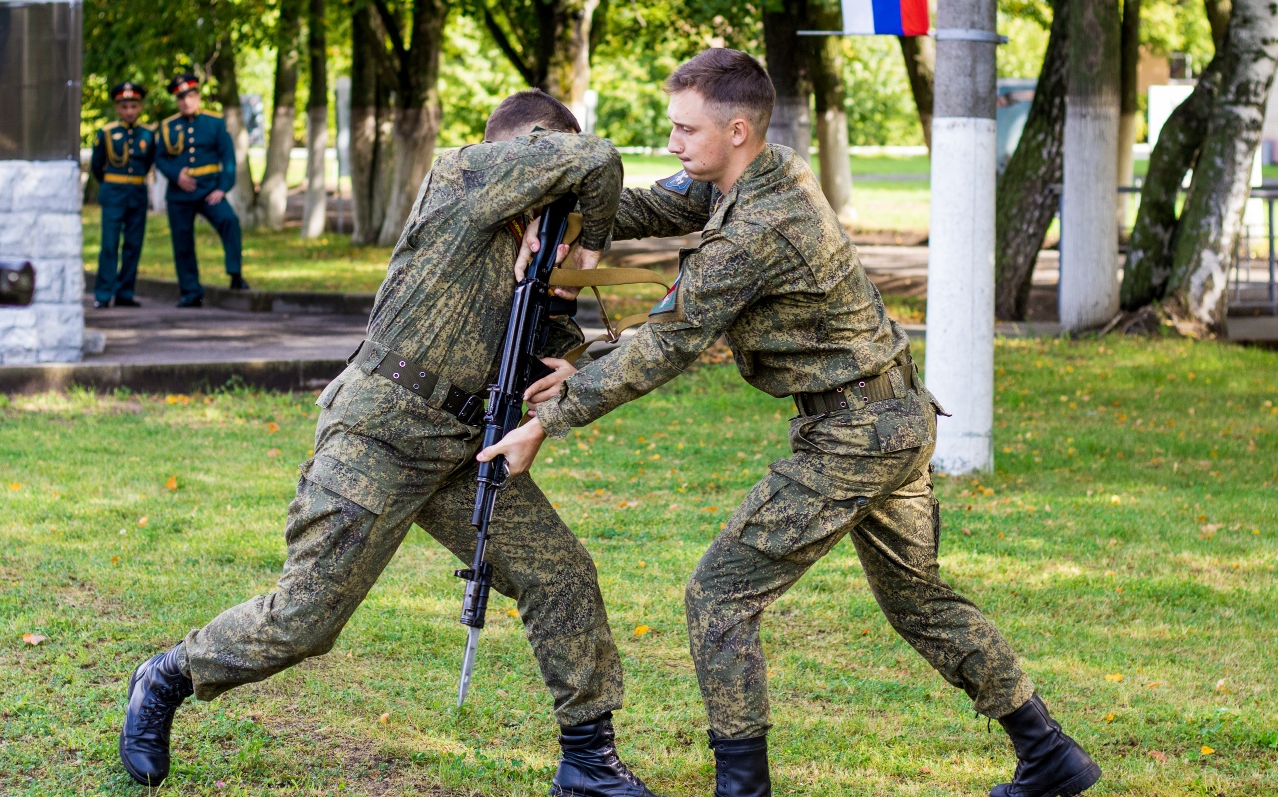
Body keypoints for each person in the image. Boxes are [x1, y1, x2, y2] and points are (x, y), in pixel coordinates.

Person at [483, 49, 1101, 797]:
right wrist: (569, 212)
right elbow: (658, 206)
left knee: (719, 596)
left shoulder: (756, 232)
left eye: (685, 129)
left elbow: (668, 344)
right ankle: (1051, 755)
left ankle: (743, 790)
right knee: (921, 603)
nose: (673, 142)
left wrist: (551, 413)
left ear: (736, 129)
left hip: (855, 435)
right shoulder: (766, 172)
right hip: (891, 416)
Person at [118, 89, 659, 797]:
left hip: (468, 444)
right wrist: (586, 238)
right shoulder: (463, 178)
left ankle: (588, 759)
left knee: (561, 573)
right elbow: (596, 156)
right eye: (540, 169)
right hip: (380, 432)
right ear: (517, 154)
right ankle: (167, 674)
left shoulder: (538, 244)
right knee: (305, 619)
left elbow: (543, 346)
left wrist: (566, 339)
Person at [155, 73, 247, 308]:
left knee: (229, 221)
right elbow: (161, 158)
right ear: (177, 100)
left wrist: (222, 188)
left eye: (190, 96)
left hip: (209, 190)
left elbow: (228, 158)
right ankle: (190, 292)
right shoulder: (168, 126)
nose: (186, 102)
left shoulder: (214, 122)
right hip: (180, 194)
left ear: (197, 97)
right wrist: (177, 175)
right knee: (182, 241)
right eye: (181, 97)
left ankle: (235, 274)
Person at [89, 81, 156, 309]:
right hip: (113, 193)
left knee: (133, 244)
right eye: (124, 106)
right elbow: (97, 167)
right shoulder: (106, 133)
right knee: (109, 244)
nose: (129, 111)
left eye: (133, 106)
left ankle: (125, 292)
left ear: (140, 108)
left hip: (137, 193)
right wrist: (111, 185)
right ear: (118, 108)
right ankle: (103, 293)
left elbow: (147, 163)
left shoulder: (147, 134)